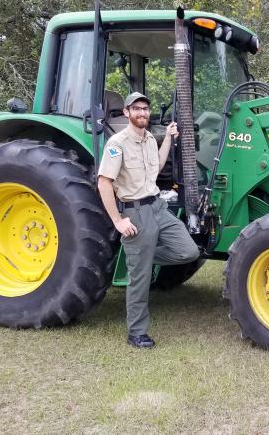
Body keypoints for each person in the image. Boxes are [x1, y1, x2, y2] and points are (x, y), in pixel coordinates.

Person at [97, 92, 199, 349]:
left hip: (157, 207)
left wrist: (169, 139)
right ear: (127, 113)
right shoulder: (117, 143)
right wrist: (118, 220)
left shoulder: (150, 138)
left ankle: (141, 258)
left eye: (145, 108)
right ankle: (137, 332)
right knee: (140, 280)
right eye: (136, 109)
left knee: (188, 251)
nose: (142, 113)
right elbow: (104, 183)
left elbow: (157, 165)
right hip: (135, 212)